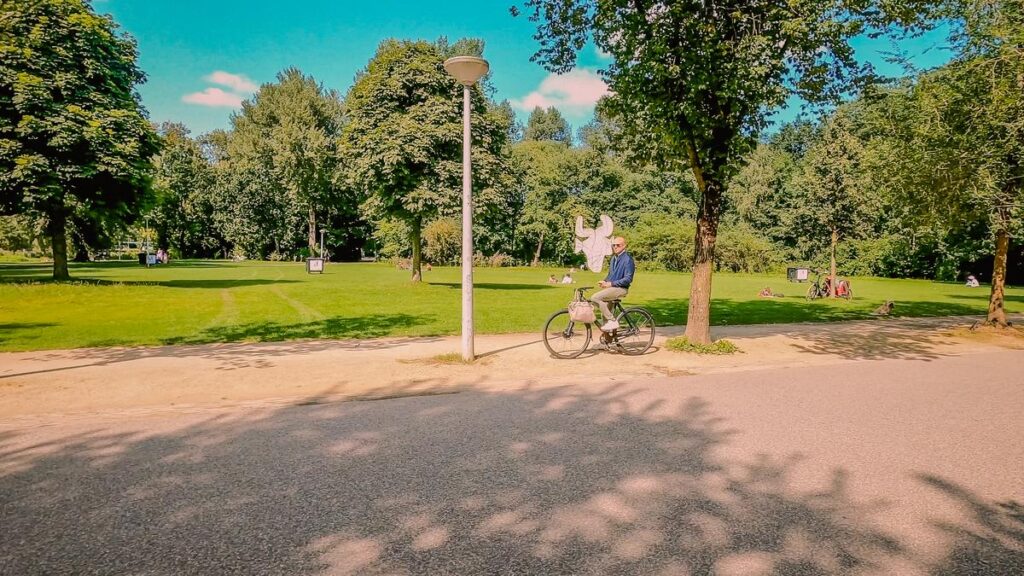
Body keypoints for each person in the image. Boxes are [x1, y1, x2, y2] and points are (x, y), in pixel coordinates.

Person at [591, 236, 634, 332]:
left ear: (624, 246)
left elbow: (628, 279)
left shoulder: (628, 259)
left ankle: (612, 320)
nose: (615, 247)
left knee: (595, 298)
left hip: (621, 289)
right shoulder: (614, 258)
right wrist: (605, 281)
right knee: (604, 316)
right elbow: (611, 274)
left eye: (618, 245)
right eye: (613, 245)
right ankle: (608, 341)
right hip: (613, 287)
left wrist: (611, 284)